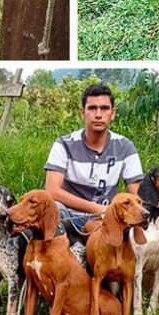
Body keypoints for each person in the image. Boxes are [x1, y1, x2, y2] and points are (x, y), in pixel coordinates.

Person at [44, 83, 143, 229]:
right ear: (83, 112)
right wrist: (97, 209)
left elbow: (137, 193)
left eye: (104, 108)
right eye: (92, 108)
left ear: (113, 113)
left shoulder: (125, 147)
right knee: (51, 209)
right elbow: (52, 190)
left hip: (106, 220)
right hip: (69, 217)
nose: (98, 114)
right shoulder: (64, 144)